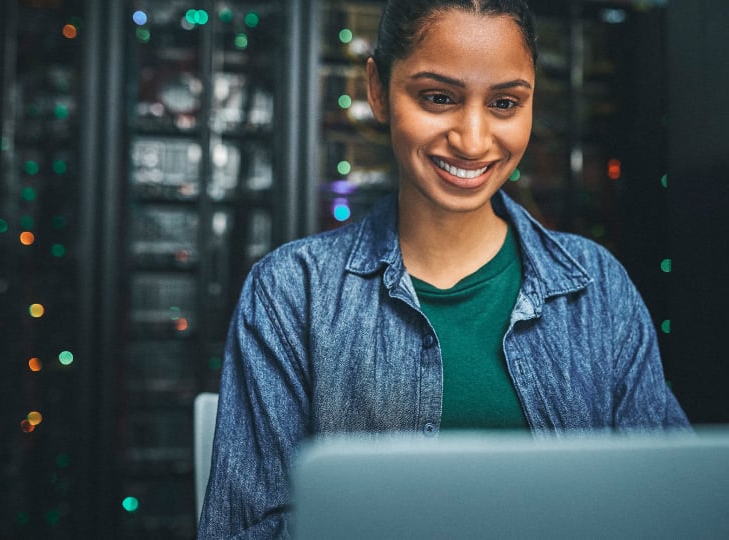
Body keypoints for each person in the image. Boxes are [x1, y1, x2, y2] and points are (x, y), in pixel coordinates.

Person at [198, 0, 690, 537]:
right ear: (378, 90)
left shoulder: (598, 288)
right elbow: (243, 529)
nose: (473, 140)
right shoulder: (291, 293)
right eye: (438, 97)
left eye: (504, 102)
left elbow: (670, 508)